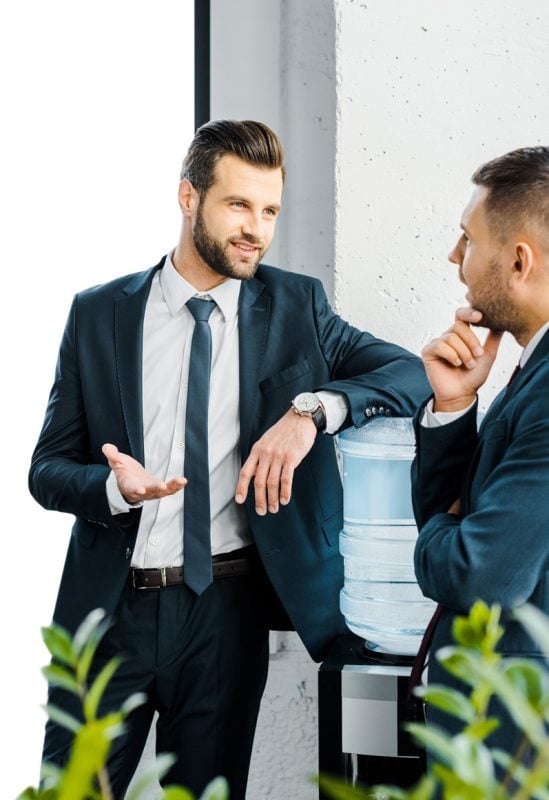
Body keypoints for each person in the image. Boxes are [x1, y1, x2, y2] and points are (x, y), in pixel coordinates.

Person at [30, 119, 429, 799]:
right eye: (238, 205)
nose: (256, 229)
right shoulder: (100, 314)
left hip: (224, 613)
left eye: (269, 210)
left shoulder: (296, 306)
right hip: (110, 614)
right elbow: (47, 469)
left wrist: (310, 413)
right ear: (189, 198)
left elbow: (407, 374)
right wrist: (115, 488)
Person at [412, 146, 549, 761]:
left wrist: (444, 531)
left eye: (467, 240)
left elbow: (479, 573)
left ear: (518, 261)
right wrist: (453, 407)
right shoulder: (530, 374)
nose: (454, 258)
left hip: (511, 740)